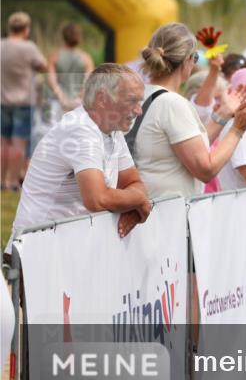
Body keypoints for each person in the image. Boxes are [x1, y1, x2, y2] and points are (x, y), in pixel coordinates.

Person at [6, 64, 152, 255]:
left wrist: (135, 201)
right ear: (102, 98)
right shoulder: (80, 129)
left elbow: (132, 182)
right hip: (36, 254)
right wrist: (139, 200)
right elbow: (97, 199)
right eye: (132, 100)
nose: (139, 110)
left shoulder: (111, 130)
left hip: (63, 251)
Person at [133, 23, 246, 198]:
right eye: (195, 57)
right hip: (166, 211)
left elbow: (189, 146)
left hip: (146, 204)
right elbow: (206, 170)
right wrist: (238, 129)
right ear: (188, 60)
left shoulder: (142, 95)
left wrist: (224, 114)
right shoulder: (173, 104)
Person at [1, 12, 48, 191]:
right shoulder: (29, 48)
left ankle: (1, 179)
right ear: (26, 29)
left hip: (2, 101)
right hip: (23, 102)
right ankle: (11, 182)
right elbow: (43, 65)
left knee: (3, 142)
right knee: (18, 143)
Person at [46, 22, 95, 119]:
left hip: (58, 103)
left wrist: (62, 99)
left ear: (64, 36)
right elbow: (89, 82)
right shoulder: (86, 58)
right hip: (79, 104)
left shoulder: (54, 56)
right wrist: (78, 99)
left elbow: (52, 81)